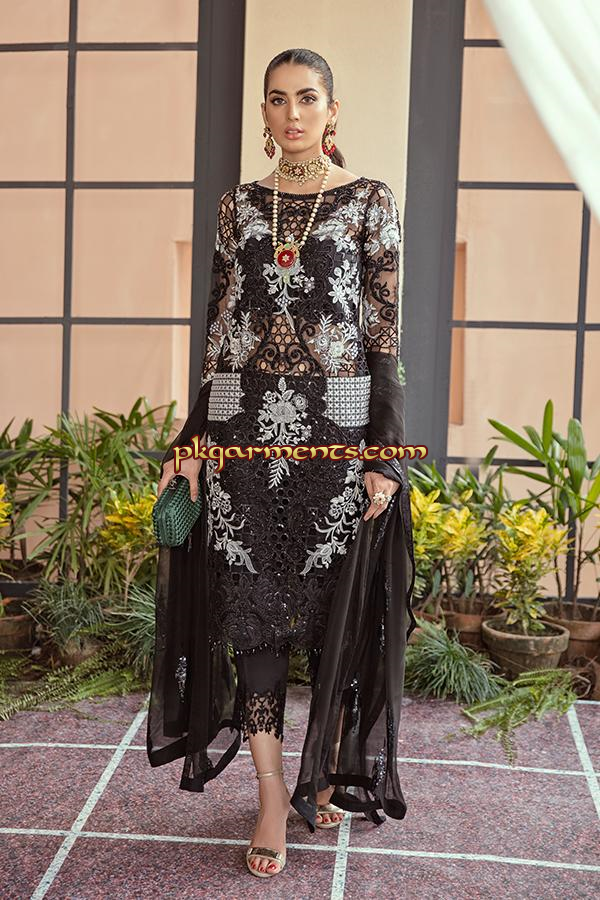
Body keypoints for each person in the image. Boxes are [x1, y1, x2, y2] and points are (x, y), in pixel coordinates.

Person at [146, 47, 417, 880]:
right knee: (252, 617)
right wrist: (191, 444)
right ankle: (271, 796)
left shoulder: (370, 201)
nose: (291, 113)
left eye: (307, 98)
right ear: (263, 113)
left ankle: (321, 772)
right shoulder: (237, 207)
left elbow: (384, 338)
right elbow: (218, 338)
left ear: (333, 111)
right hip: (244, 439)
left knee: (338, 618)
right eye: (276, 99)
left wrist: (384, 456)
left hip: (336, 439)